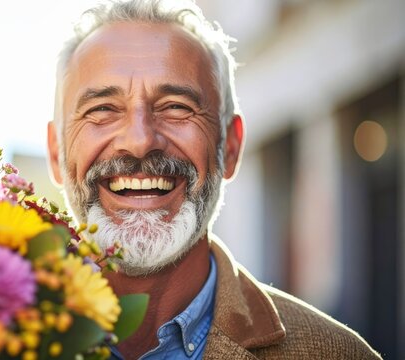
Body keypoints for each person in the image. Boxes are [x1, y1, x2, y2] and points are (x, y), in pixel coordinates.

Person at [45, 0, 382, 359]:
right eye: (103, 110)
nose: (140, 141)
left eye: (176, 107)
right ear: (56, 153)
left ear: (231, 147)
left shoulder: (337, 354)